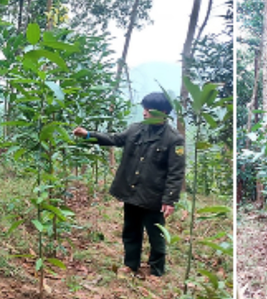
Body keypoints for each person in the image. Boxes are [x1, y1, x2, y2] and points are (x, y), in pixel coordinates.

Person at [72, 92, 185, 280]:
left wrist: (170, 200)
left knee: (156, 234)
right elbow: (115, 139)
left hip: (153, 196)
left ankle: (156, 269)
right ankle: (130, 264)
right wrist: (89, 135)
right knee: (131, 230)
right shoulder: (136, 129)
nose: (144, 113)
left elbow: (176, 171)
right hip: (132, 191)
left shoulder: (173, 139)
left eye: (149, 110)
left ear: (163, 112)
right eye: (144, 109)